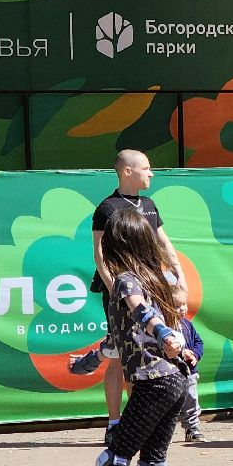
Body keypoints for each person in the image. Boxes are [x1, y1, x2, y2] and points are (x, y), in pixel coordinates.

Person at [65, 209, 204, 466]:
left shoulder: (126, 281)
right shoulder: (152, 278)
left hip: (154, 383)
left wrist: (166, 337)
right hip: (174, 382)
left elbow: (145, 317)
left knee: (112, 462)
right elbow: (120, 339)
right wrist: (89, 360)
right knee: (151, 465)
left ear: (116, 245)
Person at [70, 149, 182, 447]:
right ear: (127, 171)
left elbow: (165, 245)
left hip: (150, 287)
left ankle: (139, 421)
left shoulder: (149, 205)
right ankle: (115, 422)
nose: (152, 173)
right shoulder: (107, 208)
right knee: (122, 355)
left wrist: (178, 279)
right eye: (146, 168)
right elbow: (100, 256)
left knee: (146, 352)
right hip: (120, 291)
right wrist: (118, 291)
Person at [171, 283, 205, 443]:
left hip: (190, 373)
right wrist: (181, 352)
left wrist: (195, 355)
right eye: (177, 306)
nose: (182, 309)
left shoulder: (187, 324)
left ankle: (192, 428)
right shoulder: (163, 327)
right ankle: (163, 433)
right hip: (171, 374)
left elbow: (199, 342)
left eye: (184, 304)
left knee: (191, 399)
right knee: (167, 404)